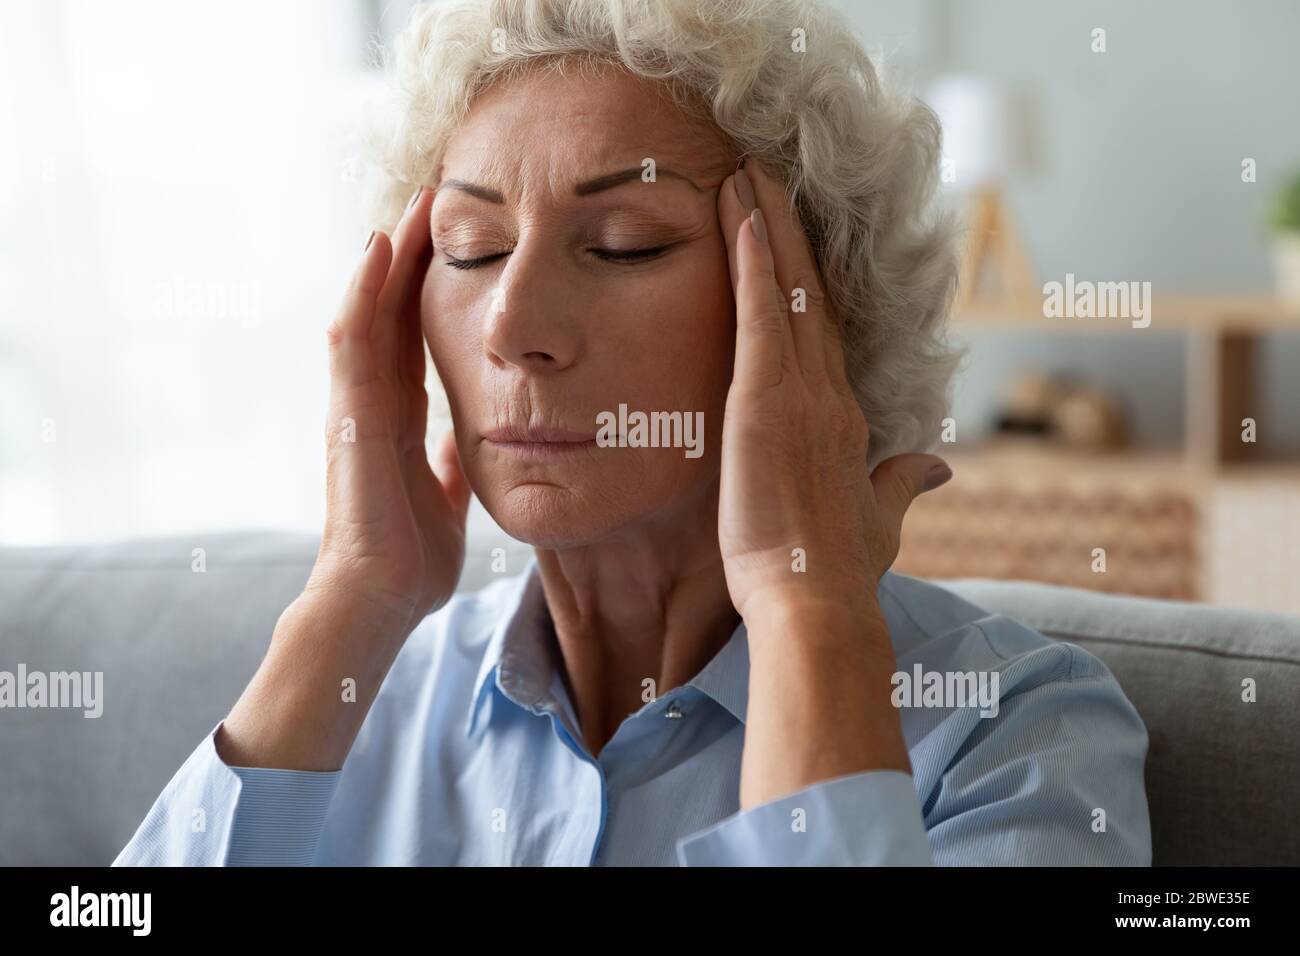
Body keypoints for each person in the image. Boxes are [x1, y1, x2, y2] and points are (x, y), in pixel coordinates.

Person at [114, 0, 1150, 866]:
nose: (513, 327)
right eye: (471, 250)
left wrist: (806, 614)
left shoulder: (1011, 728)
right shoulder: (370, 694)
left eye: (623, 245)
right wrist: (350, 595)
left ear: (814, 315)